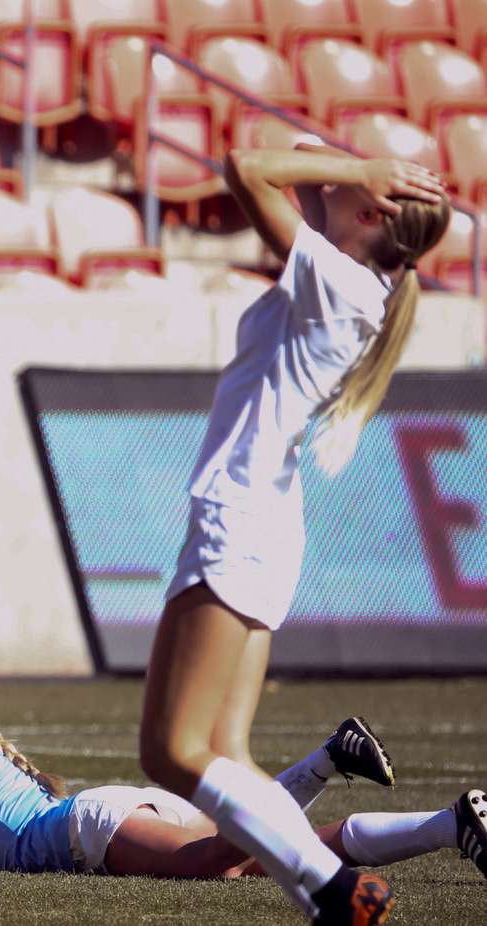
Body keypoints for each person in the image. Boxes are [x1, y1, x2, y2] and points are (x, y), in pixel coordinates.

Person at [135, 145, 452, 923]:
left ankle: (332, 890)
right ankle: (327, 895)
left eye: (363, 189)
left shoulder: (340, 280)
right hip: (264, 518)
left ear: (373, 216)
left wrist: (360, 164)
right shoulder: (350, 274)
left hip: (238, 514)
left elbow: (246, 161)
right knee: (227, 752)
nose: (344, 182)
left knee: (171, 752)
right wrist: (360, 173)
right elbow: (289, 166)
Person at [0, 658, 486, 885]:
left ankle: (385, 795)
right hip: (108, 815)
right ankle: (414, 808)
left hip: (91, 829)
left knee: (229, 858)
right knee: (255, 853)